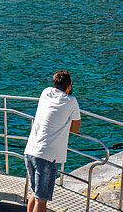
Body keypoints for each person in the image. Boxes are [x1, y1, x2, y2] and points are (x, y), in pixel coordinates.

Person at [23, 70, 82, 212]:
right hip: (47, 157)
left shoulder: (45, 92)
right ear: (69, 86)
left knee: (35, 194)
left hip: (30, 151)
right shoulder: (71, 101)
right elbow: (75, 128)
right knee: (41, 200)